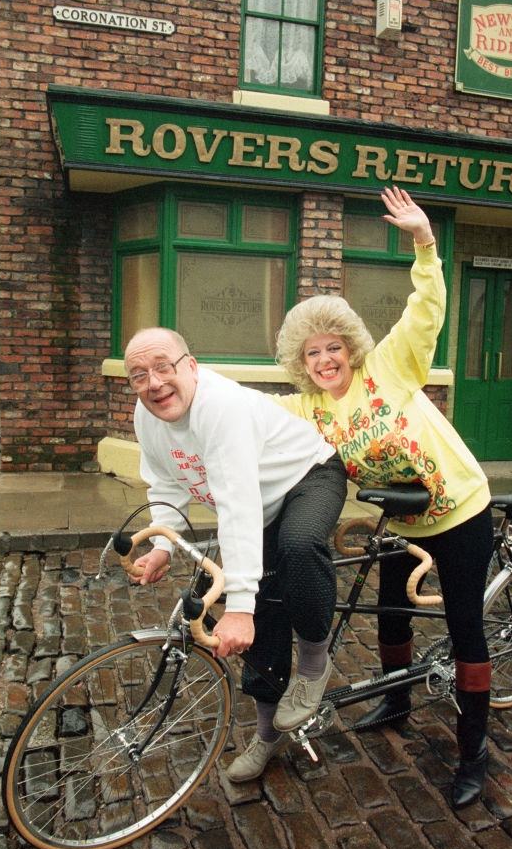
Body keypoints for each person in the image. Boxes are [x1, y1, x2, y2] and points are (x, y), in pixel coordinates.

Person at [274, 186, 494, 809]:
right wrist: (185, 389)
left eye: (333, 347)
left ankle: (474, 751)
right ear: (301, 361)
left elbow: (425, 311)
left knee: (464, 626)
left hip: (460, 511)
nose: (325, 360)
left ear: (351, 347)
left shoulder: (390, 369)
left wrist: (424, 242)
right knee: (391, 615)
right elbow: (251, 414)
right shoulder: (309, 409)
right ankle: (397, 699)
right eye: (313, 352)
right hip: (403, 521)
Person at [123, 327, 347, 783]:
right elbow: (166, 481)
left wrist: (239, 607)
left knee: (298, 545)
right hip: (258, 504)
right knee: (262, 613)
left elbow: (237, 504)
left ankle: (313, 664)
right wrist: (163, 546)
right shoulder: (147, 416)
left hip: (308, 476)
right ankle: (267, 737)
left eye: (163, 367)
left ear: (191, 366)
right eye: (139, 375)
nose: (154, 383)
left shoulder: (220, 408)